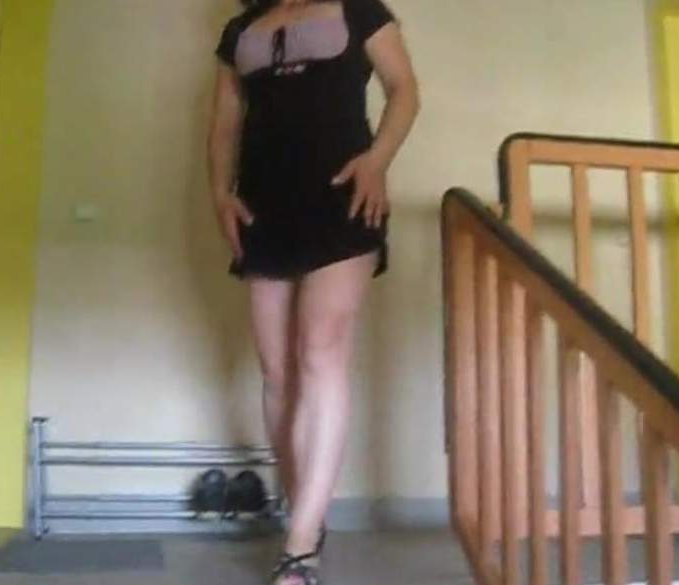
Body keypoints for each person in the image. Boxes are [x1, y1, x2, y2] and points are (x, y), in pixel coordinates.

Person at [207, 0, 419, 583]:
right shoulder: (240, 30)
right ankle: (308, 513)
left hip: (344, 198)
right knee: (277, 372)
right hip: (263, 208)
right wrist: (220, 194)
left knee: (320, 353)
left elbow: (404, 90)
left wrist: (377, 161)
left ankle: (299, 546)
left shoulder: (361, 10)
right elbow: (224, 123)